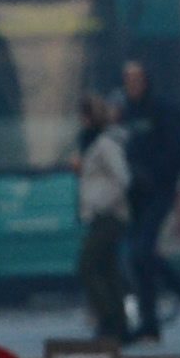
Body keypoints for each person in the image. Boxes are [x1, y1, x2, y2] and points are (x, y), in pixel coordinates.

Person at [118, 60, 180, 339]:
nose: (132, 86)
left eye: (136, 80)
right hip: (134, 194)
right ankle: (150, 321)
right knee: (138, 257)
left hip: (159, 190)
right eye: (127, 81)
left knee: (142, 251)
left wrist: (157, 172)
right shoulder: (126, 113)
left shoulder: (163, 109)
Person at [75, 105, 134, 344]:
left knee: (88, 265)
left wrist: (102, 203)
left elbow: (123, 178)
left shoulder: (105, 145)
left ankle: (108, 318)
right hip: (100, 215)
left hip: (109, 215)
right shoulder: (91, 145)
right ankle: (120, 327)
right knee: (109, 270)